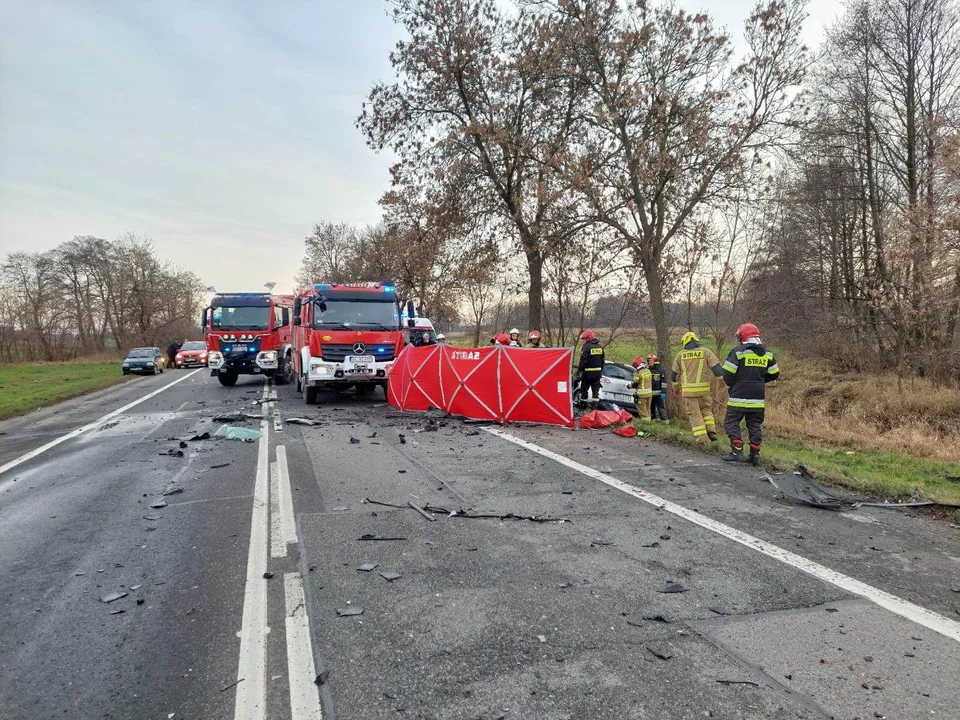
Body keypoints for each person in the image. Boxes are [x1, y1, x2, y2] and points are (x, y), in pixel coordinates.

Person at [721, 322, 779, 465]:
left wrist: (734, 384)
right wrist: (758, 381)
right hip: (757, 398)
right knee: (754, 425)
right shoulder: (768, 354)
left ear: (743, 336)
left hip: (738, 396)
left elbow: (727, 374)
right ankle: (755, 456)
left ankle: (737, 451)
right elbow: (774, 374)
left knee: (731, 422)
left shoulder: (738, 352)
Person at [671, 331, 723, 443]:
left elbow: (674, 375)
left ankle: (702, 439)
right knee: (706, 411)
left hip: (689, 393)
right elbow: (717, 369)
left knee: (695, 414)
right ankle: (711, 432)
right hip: (704, 390)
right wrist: (722, 381)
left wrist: (676, 389)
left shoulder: (680, 355)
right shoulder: (706, 352)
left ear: (684, 342)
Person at [574, 329, 605, 407]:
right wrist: (600, 372)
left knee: (584, 390)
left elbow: (583, 361)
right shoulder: (600, 347)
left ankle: (583, 405)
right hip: (597, 374)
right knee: (595, 392)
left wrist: (579, 371)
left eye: (585, 339)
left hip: (587, 374)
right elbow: (602, 361)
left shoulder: (586, 347)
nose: (584, 341)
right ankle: (595, 408)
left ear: (588, 338)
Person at [648, 354, 668, 421]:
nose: (649, 362)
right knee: (651, 407)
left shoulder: (661, 370)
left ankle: (664, 421)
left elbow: (664, 382)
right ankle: (653, 420)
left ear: (655, 361)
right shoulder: (648, 370)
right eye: (648, 361)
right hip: (650, 393)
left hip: (659, 394)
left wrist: (663, 392)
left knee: (661, 408)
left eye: (650, 360)